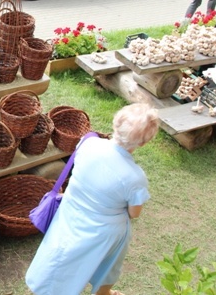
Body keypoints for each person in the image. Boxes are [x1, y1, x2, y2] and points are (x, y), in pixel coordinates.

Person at [25, 103, 159, 295]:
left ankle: (42, 285)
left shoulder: (88, 142)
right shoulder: (135, 178)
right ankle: (103, 292)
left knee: (58, 250)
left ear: (116, 123)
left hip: (71, 211)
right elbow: (134, 213)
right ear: (143, 142)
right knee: (108, 264)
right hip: (103, 230)